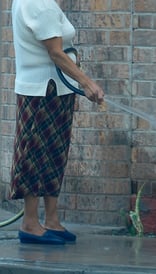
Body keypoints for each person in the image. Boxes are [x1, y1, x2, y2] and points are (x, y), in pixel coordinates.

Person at [10, 0, 105, 245]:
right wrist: (87, 82)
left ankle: (51, 220)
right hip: (41, 90)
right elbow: (55, 52)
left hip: (57, 89)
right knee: (34, 155)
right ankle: (30, 223)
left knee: (55, 153)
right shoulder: (36, 3)